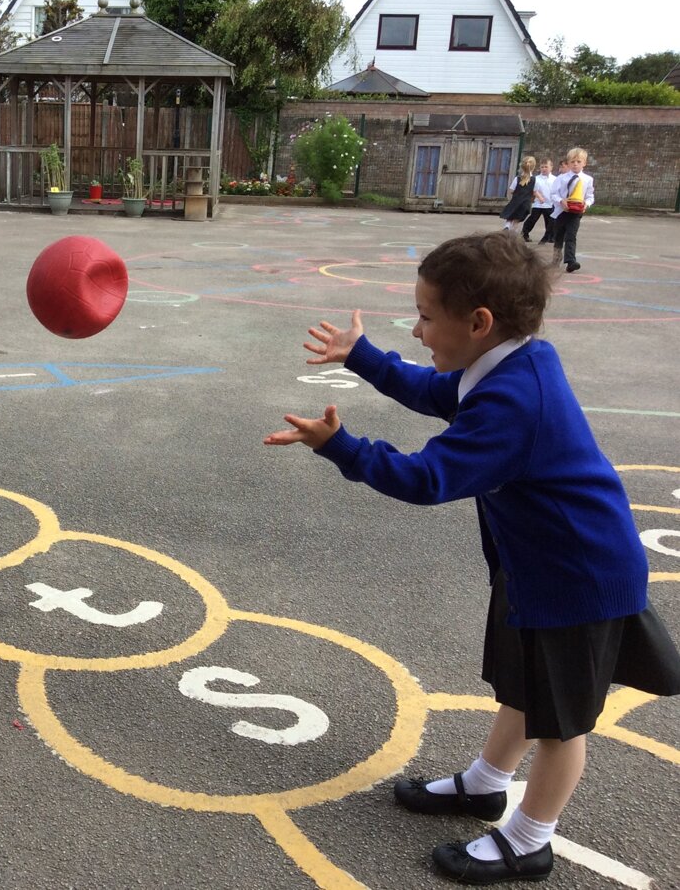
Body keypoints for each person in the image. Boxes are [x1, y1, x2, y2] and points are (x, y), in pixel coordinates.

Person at [264, 231, 680, 885]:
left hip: (578, 581)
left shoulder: (513, 402)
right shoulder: (508, 363)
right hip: (539, 570)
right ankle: (486, 783)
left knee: (559, 725)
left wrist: (341, 447)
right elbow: (436, 392)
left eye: (427, 316)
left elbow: (426, 478)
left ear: (477, 323)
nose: (417, 328)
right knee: (524, 688)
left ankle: (528, 839)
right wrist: (364, 357)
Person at [551, 147, 594, 273]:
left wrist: (586, 204)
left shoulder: (587, 179)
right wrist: (561, 201)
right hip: (562, 211)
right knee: (559, 235)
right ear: (568, 163)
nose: (575, 164)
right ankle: (556, 259)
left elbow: (590, 196)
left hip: (576, 212)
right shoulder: (561, 178)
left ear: (584, 163)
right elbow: (553, 193)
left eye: (579, 162)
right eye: (572, 162)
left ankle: (570, 261)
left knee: (571, 235)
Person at [520, 158, 555, 244]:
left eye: (546, 167)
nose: (544, 169)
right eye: (542, 167)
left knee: (550, 221)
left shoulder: (555, 179)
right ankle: (524, 234)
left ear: (551, 167)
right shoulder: (536, 179)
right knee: (532, 219)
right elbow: (533, 190)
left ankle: (550, 236)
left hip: (550, 204)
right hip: (538, 204)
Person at [499, 156, 535, 232]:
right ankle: (513, 233)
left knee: (511, 216)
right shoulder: (535, 179)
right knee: (516, 220)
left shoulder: (517, 178)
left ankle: (507, 226)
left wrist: (517, 193)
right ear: (533, 167)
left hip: (515, 201)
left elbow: (511, 190)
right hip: (525, 203)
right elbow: (535, 191)